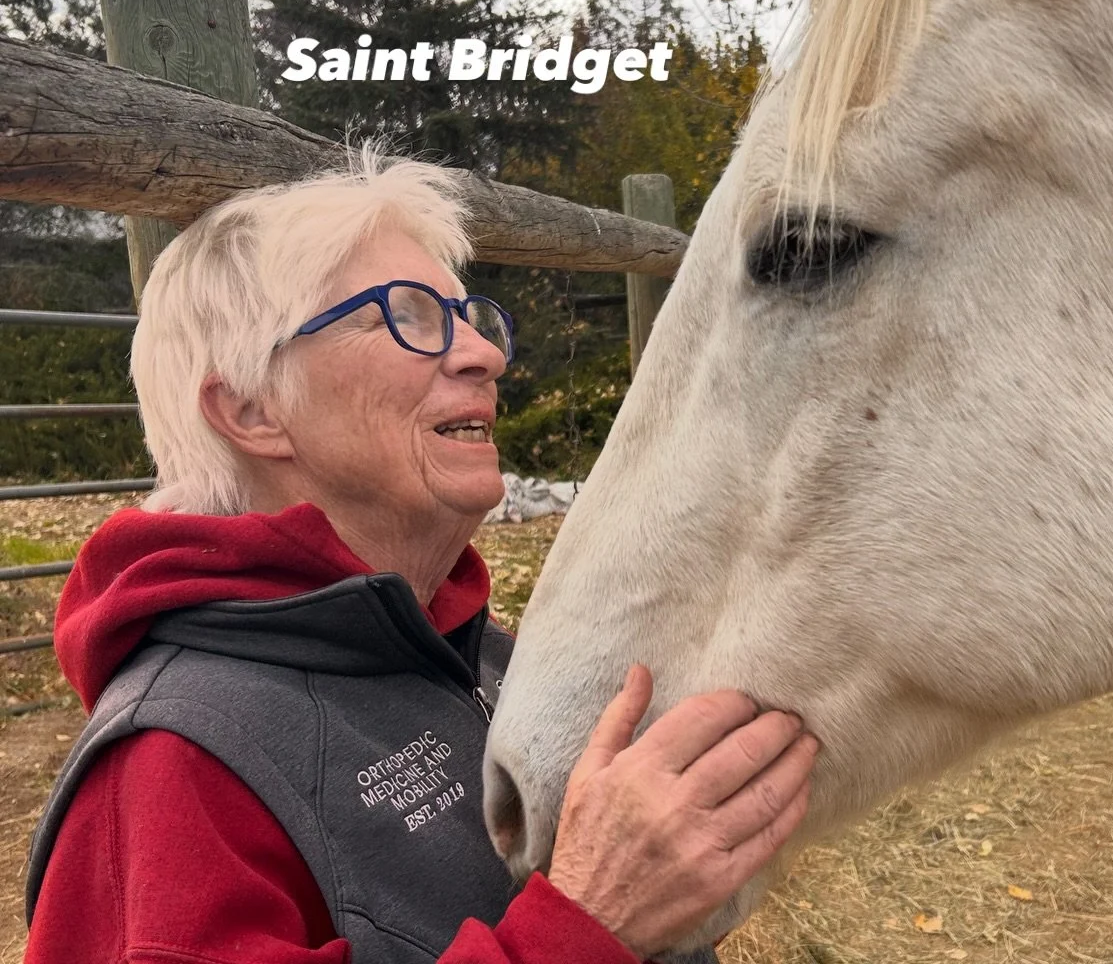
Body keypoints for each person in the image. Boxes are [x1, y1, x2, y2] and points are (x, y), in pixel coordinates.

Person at [24, 150, 819, 964]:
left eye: (470, 317)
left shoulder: (465, 645)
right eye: (408, 316)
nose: (485, 356)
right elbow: (591, 916)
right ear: (251, 409)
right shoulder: (170, 769)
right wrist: (589, 925)